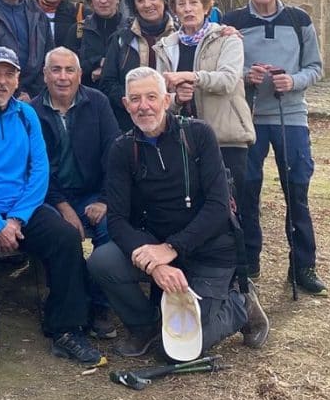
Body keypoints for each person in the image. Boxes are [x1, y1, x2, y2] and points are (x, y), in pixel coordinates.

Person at [0, 46, 106, 381]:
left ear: (18, 78)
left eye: (9, 75)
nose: (1, 82)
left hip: (21, 208)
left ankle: (65, 328)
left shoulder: (26, 114)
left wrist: (17, 219)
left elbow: (39, 171)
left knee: (64, 236)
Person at [88, 68, 268, 358]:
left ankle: (240, 304)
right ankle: (144, 326)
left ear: (167, 99)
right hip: (158, 247)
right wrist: (155, 264)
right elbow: (118, 220)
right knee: (102, 261)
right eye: (135, 99)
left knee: (180, 351)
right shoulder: (122, 149)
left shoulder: (199, 134)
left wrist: (172, 248)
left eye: (151, 97)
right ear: (125, 104)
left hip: (210, 249)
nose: (143, 106)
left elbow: (218, 207)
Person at [222, 0, 327, 295]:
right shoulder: (232, 23)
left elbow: (315, 67)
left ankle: (303, 266)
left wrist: (292, 81)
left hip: (291, 117)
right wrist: (245, 78)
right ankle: (249, 260)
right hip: (248, 118)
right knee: (246, 191)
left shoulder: (299, 21)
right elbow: (223, 68)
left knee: (296, 190)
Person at [32, 47, 120, 337]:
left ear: (80, 75)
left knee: (111, 230)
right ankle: (69, 301)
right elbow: (37, 167)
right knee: (61, 235)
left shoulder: (98, 103)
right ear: (45, 75)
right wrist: (63, 207)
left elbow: (114, 154)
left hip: (94, 193)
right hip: (49, 197)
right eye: (55, 70)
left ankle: (100, 304)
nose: (63, 77)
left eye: (69, 70)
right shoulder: (32, 111)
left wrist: (106, 200)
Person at [156, 0, 255, 197]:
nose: (188, 9)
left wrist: (192, 77)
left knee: (231, 207)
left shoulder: (227, 39)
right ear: (174, 10)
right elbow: (161, 95)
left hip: (225, 137)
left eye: (194, 3)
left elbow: (228, 80)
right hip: (184, 140)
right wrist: (177, 99)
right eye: (181, 4)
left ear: (206, 6)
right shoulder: (165, 47)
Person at [98, 0, 175, 131]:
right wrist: (136, 102)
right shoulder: (122, 39)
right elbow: (107, 83)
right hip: (132, 124)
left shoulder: (181, 35)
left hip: (174, 121)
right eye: (140, 0)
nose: (147, 4)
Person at [76, 0, 123, 83]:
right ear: (90, 0)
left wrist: (106, 68)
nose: (103, 0)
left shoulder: (130, 30)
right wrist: (97, 62)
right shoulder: (78, 30)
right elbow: (69, 65)